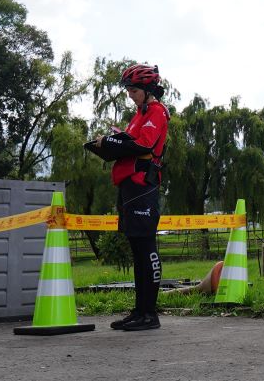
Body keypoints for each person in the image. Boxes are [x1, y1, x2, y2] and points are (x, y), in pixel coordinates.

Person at [91, 64, 171, 331]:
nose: (129, 95)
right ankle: (139, 311)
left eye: (134, 90)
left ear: (148, 90)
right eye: (128, 90)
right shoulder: (139, 113)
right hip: (128, 187)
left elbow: (144, 145)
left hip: (143, 186)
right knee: (137, 250)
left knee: (147, 248)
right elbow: (130, 141)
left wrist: (112, 143)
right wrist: (112, 142)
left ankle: (151, 314)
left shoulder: (157, 111)